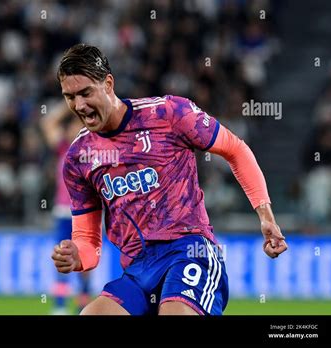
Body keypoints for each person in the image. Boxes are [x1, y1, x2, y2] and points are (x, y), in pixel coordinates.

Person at [51, 43, 288, 315]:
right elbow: (89, 243)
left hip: (190, 251)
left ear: (108, 83)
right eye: (70, 97)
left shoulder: (169, 114)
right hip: (139, 270)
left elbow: (235, 149)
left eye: (85, 93)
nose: (79, 105)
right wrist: (77, 255)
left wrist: (265, 215)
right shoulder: (78, 157)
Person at [40, 101, 92, 314]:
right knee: (62, 256)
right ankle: (60, 306)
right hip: (63, 212)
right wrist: (71, 104)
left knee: (85, 261)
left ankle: (83, 304)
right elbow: (48, 123)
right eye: (73, 125)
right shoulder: (63, 148)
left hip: (86, 214)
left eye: (80, 126)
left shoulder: (93, 152)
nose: (75, 129)